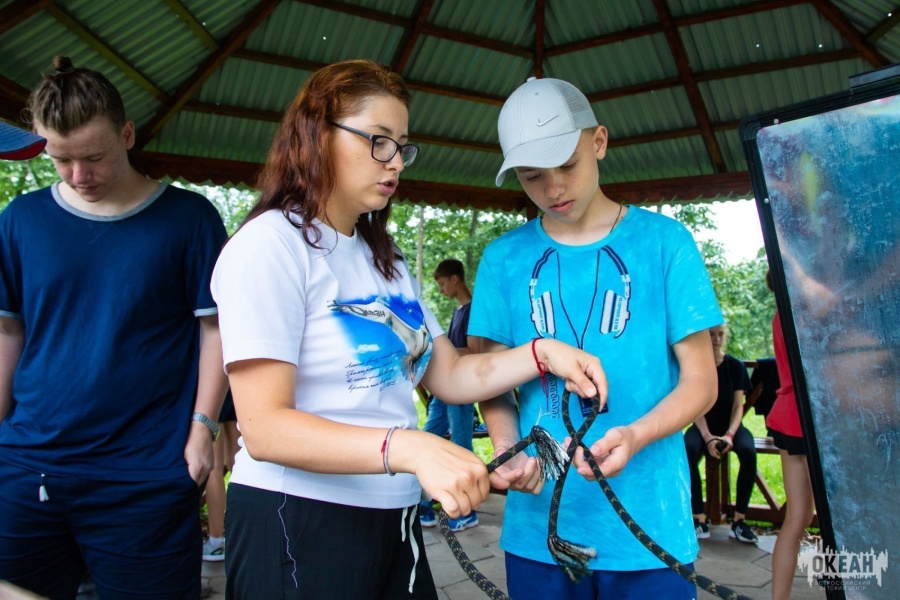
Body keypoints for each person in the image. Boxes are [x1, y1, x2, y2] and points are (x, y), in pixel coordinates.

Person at [210, 59, 608, 600]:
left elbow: (451, 375)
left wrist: (542, 352)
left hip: (391, 517)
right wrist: (412, 448)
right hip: (297, 519)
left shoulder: (386, 260)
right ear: (316, 135)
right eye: (378, 141)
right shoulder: (270, 245)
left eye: (401, 145)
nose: (395, 161)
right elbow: (265, 428)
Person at [467, 76, 723, 599]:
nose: (553, 189)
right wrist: (506, 446)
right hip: (540, 528)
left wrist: (637, 435)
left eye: (567, 165)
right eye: (532, 176)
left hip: (651, 523)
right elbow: (488, 381)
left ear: (599, 142)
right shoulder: (502, 259)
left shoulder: (666, 243)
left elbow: (701, 382)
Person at [0, 56, 229, 598]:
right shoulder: (21, 219)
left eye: (94, 157)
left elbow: (216, 332)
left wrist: (203, 430)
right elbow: (8, 332)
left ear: (127, 135)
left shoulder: (189, 218)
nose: (79, 176)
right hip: (28, 465)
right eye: (61, 160)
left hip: (146, 473)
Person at [419, 258, 479, 532]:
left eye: (443, 284)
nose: (442, 290)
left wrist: (442, 354)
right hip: (444, 389)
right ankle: (425, 505)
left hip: (462, 388)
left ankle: (467, 511)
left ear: (455, 279)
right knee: (427, 438)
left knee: (460, 443)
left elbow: (475, 351)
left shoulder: (474, 310)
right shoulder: (457, 312)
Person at [683, 324, 758, 543]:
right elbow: (694, 405)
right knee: (687, 449)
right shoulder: (696, 367)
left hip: (731, 426)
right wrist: (707, 437)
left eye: (720, 335)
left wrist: (729, 435)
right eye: (711, 335)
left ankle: (739, 520)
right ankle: (699, 518)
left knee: (748, 451)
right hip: (702, 425)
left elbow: (738, 406)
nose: (716, 340)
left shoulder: (735, 366)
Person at [765, 273, 815, 600]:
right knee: (839, 519)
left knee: (798, 517)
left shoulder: (780, 314)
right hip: (812, 418)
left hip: (786, 416)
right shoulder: (812, 311)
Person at [202, 389, 241, 562]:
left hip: (215, 388)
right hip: (235, 383)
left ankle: (216, 542)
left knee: (214, 468)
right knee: (238, 462)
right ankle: (242, 535)